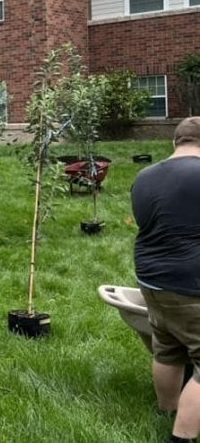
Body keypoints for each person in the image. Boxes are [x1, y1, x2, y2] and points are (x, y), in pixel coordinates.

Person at [132, 117, 200, 443]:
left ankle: (166, 410)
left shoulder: (143, 177)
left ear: (175, 142)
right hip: (191, 284)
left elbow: (147, 223)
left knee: (167, 351)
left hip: (151, 280)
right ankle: (182, 436)